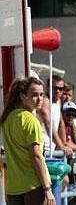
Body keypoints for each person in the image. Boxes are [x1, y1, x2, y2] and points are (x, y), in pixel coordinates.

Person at [0, 77, 55, 205]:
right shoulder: (30, 120)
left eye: (42, 94)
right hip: (34, 185)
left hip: (13, 187)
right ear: (23, 96)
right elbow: (36, 156)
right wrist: (47, 189)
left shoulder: (7, 118)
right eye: (34, 95)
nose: (40, 99)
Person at [36, 74, 72, 158]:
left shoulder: (58, 102)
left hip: (53, 148)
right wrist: (61, 146)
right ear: (48, 88)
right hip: (43, 148)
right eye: (55, 88)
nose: (58, 91)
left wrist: (63, 144)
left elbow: (61, 123)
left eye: (61, 89)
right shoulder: (45, 101)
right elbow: (48, 124)